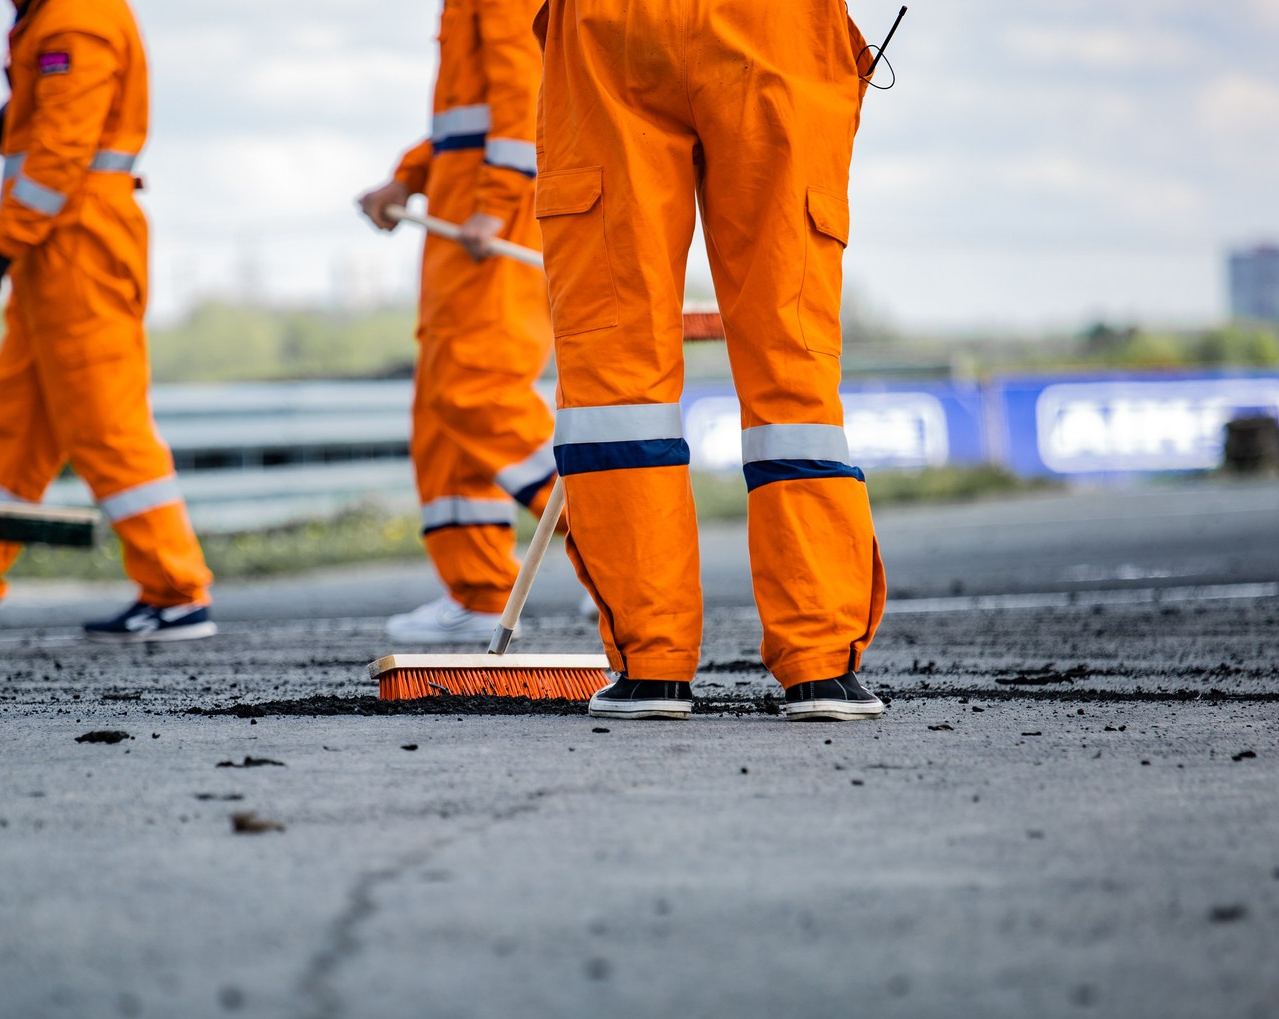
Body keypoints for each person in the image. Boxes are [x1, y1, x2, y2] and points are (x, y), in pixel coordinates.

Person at [536, 0, 888, 720]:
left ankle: (653, 665)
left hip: (611, 32)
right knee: (791, 361)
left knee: (616, 375)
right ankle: (819, 666)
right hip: (777, 28)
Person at [0, 0, 215, 645]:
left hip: (77, 251)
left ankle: (176, 591)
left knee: (108, 426)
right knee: (17, 430)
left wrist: (4, 243)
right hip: (56, 256)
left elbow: (61, 151)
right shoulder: (55, 19)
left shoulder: (73, 19)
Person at [356, 0, 559, 645]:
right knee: (446, 407)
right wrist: (407, 178)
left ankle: (610, 546)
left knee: (478, 390)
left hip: (486, 217)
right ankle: (478, 591)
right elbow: (463, 121)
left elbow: (526, 95)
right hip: (464, 210)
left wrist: (495, 206)